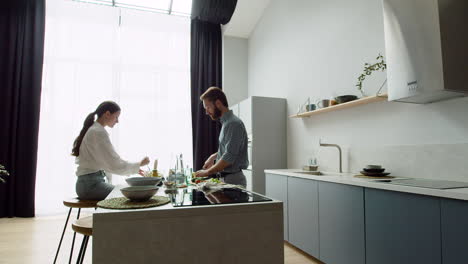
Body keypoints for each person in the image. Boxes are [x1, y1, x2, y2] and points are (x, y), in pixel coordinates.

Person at [71, 101, 150, 200]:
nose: (117, 121)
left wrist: (135, 168)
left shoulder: (95, 129)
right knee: (128, 195)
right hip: (90, 186)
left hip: (87, 184)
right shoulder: (97, 132)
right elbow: (113, 162)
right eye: (116, 117)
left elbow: (109, 163)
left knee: (126, 191)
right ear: (107, 114)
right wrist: (139, 164)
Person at [194, 87, 249, 187]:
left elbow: (228, 157)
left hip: (233, 180)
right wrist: (213, 157)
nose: (207, 112)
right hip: (226, 179)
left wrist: (206, 172)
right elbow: (229, 149)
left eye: (208, 107)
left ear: (218, 103)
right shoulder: (226, 123)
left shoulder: (233, 124)